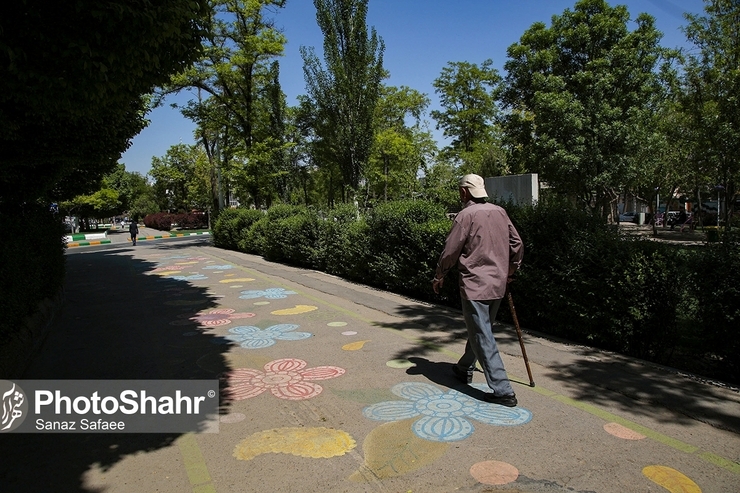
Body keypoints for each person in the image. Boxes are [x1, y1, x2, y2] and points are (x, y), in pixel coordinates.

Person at [432, 174, 524, 407]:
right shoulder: (500, 212)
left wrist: (439, 274)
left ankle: (503, 390)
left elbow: (451, 251)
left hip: (475, 286)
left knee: (482, 335)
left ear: (465, 192)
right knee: (480, 330)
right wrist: (511, 270)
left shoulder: (466, 215)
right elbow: (517, 244)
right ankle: (464, 369)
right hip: (498, 284)